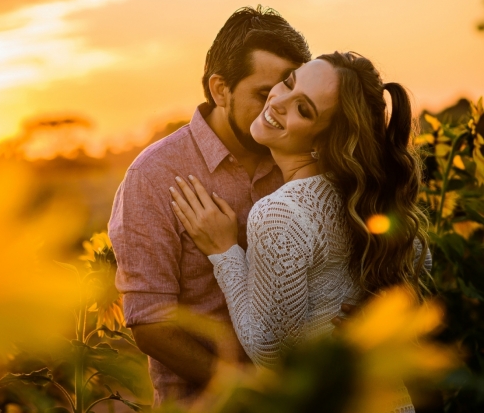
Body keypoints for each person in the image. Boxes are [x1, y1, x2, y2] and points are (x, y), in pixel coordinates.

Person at [169, 51, 431, 412]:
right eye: (289, 83)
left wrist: (225, 252)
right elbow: (419, 254)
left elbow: (270, 353)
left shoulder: (282, 213)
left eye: (303, 109)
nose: (277, 102)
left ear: (321, 142)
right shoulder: (361, 198)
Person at [108, 6, 319, 406]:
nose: (277, 109)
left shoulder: (304, 162)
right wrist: (250, 390)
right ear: (220, 89)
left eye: (290, 94)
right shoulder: (153, 177)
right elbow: (150, 322)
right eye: (264, 94)